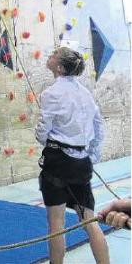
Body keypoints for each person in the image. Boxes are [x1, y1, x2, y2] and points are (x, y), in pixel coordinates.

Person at [35, 46, 109, 264]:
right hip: (82, 163)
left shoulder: (51, 94)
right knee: (89, 219)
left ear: (58, 67)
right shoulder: (85, 93)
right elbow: (98, 125)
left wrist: (39, 133)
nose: (49, 56)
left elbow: (42, 134)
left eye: (53, 55)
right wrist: (91, 155)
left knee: (56, 223)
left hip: (58, 163)